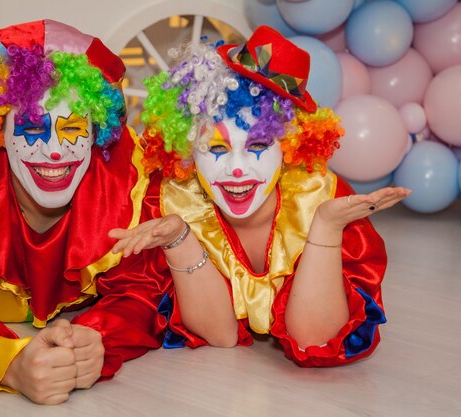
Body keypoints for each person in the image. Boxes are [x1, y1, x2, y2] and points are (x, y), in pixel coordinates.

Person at [0, 20, 170, 405]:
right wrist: (9, 362)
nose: (55, 151)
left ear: (96, 133)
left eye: (73, 127)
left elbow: (142, 291)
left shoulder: (123, 185)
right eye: (30, 129)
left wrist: (98, 339)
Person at [110, 25, 410, 366]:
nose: (237, 170)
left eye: (257, 145)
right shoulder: (178, 203)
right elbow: (220, 336)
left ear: (289, 145)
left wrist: (325, 228)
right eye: (217, 148)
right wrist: (180, 238)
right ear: (189, 154)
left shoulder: (317, 197)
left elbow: (314, 339)